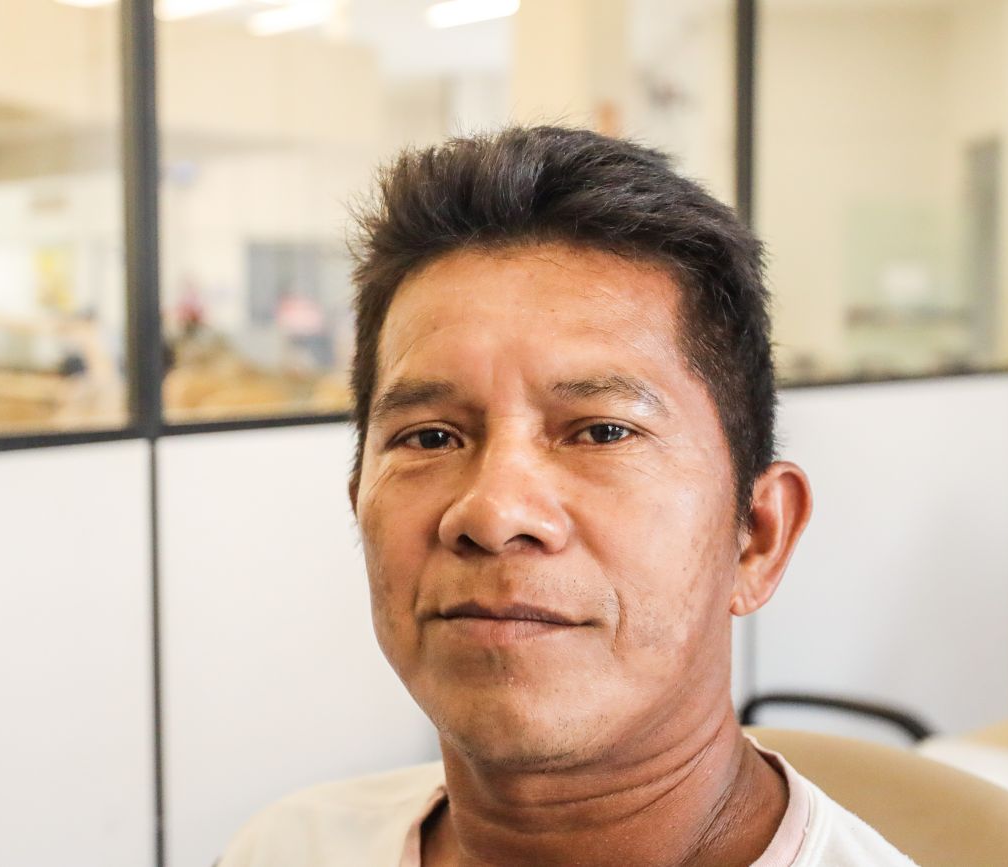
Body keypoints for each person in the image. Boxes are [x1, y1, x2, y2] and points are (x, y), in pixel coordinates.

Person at [218, 126, 917, 866]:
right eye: (430, 437)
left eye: (602, 432)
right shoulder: (287, 848)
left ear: (758, 537)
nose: (493, 514)